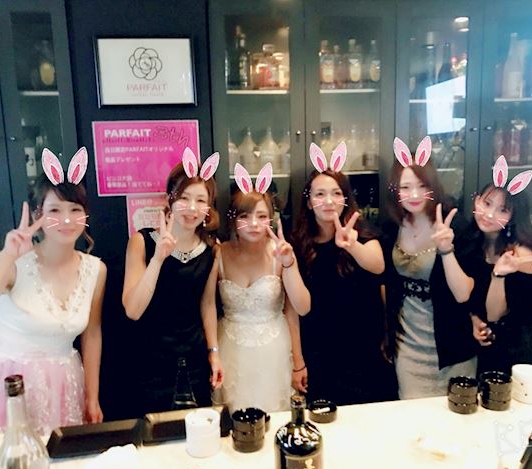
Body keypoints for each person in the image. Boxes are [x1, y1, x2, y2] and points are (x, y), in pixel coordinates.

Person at [0, 147, 106, 436]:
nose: (66, 219)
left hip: (64, 385)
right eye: (54, 210)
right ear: (39, 214)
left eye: (75, 210)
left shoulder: (96, 270)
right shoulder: (16, 264)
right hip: (10, 386)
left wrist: (92, 396)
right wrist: (6, 256)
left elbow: (92, 334)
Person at [292, 142, 396, 406]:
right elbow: (294, 307)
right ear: (308, 202)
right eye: (320, 194)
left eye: (336, 193)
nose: (328, 201)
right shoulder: (298, 244)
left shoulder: (363, 233)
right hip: (320, 352)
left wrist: (352, 246)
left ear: (345, 199)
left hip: (364, 350)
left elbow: (378, 265)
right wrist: (298, 361)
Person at [201, 162, 310, 413]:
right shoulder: (219, 253)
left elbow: (299, 309)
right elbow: (207, 304)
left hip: (274, 350)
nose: (253, 223)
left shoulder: (281, 253)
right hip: (231, 350)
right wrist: (213, 351)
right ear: (234, 219)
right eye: (245, 216)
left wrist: (299, 362)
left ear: (271, 219)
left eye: (261, 216)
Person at [122, 148, 220, 415]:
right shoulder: (141, 241)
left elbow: (208, 305)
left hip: (195, 359)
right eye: (184, 198)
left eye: (201, 200)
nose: (192, 208)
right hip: (151, 359)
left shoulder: (212, 250)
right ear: (170, 199)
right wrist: (158, 259)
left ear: (208, 208)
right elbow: (133, 310)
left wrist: (214, 352)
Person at [382, 136, 476, 399]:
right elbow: (386, 284)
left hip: (452, 349)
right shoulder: (391, 227)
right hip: (407, 349)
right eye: (405, 187)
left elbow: (463, 294)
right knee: (413, 420)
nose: (414, 195)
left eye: (421, 186)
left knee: (455, 418)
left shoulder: (454, 224)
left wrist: (446, 250)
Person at [467, 156, 532, 374]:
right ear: (477, 201)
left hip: (515, 351)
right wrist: (473, 319)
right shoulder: (472, 244)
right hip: (479, 346)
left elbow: (495, 315)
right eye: (487, 203)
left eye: (502, 210)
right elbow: (469, 299)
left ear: (512, 217)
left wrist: (498, 274)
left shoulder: (520, 256)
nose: (489, 214)